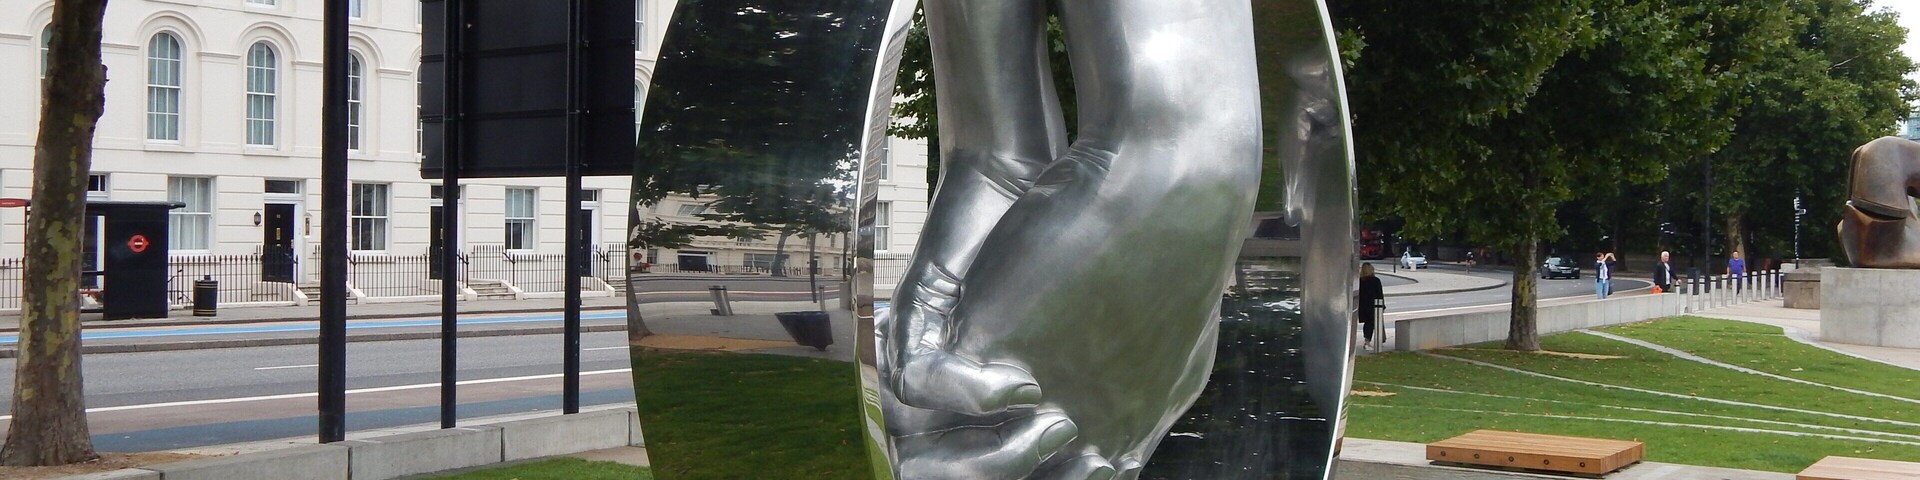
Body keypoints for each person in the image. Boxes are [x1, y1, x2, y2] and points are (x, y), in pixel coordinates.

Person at [1357, 263, 1386, 350]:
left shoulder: (1360, 281)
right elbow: (1380, 294)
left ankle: (1367, 340)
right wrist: (1382, 306)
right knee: (1372, 324)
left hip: (1362, 306)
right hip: (1374, 306)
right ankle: (1368, 342)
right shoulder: (1375, 280)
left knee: (1367, 324)